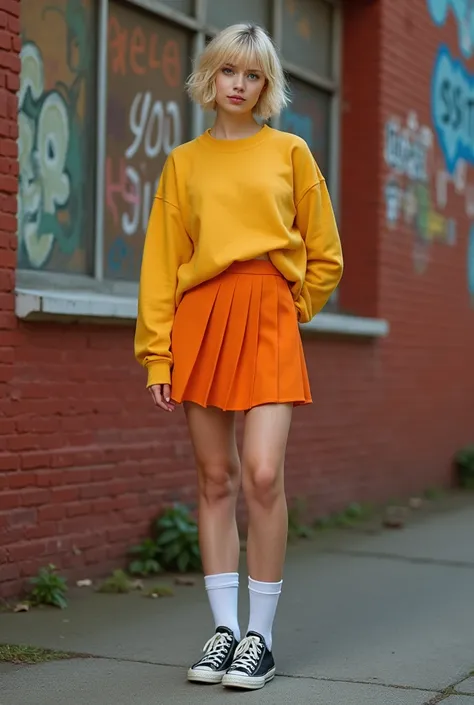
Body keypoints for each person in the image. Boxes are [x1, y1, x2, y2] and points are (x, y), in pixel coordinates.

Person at [134, 22, 343, 691]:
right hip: (200, 321)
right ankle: (224, 628)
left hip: (267, 316)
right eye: (230, 71)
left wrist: (292, 307)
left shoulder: (290, 153)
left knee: (261, 472)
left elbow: (326, 254)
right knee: (216, 476)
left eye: (253, 75)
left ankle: (262, 636)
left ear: (266, 85)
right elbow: (161, 266)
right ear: (211, 76)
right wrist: (157, 355)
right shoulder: (183, 164)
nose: (240, 85)